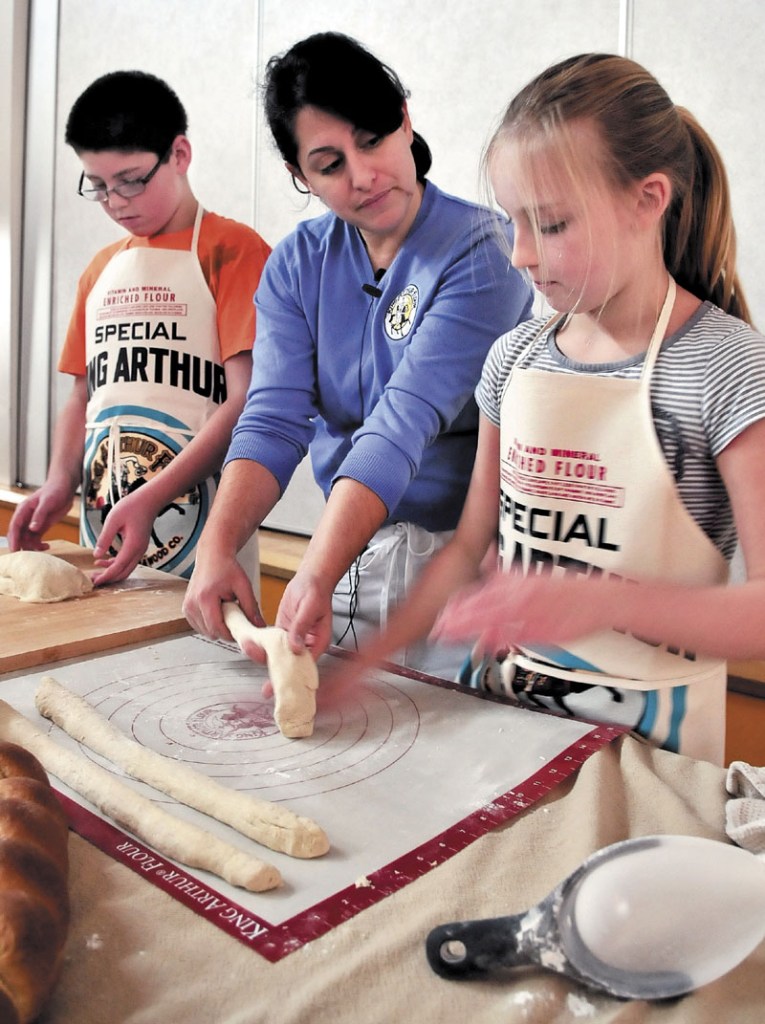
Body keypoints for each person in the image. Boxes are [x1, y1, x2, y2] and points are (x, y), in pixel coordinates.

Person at [344, 52, 765, 765]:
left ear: (647, 199)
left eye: (551, 224)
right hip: (501, 732)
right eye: (513, 222)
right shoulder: (514, 360)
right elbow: (468, 548)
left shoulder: (725, 368)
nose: (519, 255)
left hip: (649, 757)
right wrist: (361, 668)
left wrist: (596, 603)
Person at [182, 32, 533, 678]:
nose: (363, 176)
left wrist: (317, 565)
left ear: (404, 119)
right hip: (349, 562)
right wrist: (217, 544)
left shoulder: (483, 252)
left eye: (371, 140)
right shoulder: (296, 266)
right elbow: (272, 419)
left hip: (460, 580)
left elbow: (401, 422)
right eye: (329, 163)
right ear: (298, 175)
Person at [8, 70, 271, 583]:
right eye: (99, 186)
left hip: (206, 531)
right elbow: (82, 396)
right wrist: (58, 482)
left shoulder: (233, 251)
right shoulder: (100, 270)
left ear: (179, 154)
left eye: (130, 181)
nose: (115, 201)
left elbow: (247, 402)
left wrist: (154, 495)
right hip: (104, 520)